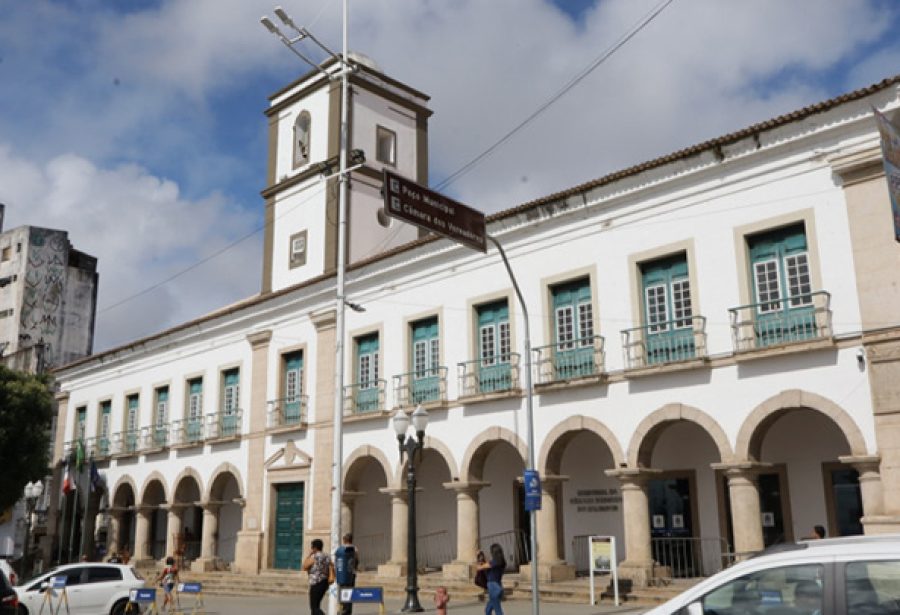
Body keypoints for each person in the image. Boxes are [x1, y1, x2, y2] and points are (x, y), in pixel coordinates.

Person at [302, 539, 332, 615]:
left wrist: (309, 555)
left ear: (314, 548)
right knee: (317, 604)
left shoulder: (314, 557)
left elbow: (304, 566)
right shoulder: (327, 556)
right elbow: (331, 566)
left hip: (316, 583)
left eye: (312, 547)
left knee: (314, 607)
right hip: (324, 582)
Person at [477, 543, 506, 615]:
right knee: (488, 609)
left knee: (498, 610)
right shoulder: (501, 562)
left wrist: (479, 557)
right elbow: (487, 565)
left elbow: (479, 567)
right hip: (498, 586)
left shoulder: (493, 562)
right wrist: (482, 557)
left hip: (493, 586)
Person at [335, 533, 359, 615]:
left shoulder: (341, 549)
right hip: (351, 574)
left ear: (344, 540)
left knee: (343, 592)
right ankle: (348, 611)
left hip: (342, 574)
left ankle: (343, 609)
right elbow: (357, 561)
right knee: (350, 592)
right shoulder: (354, 548)